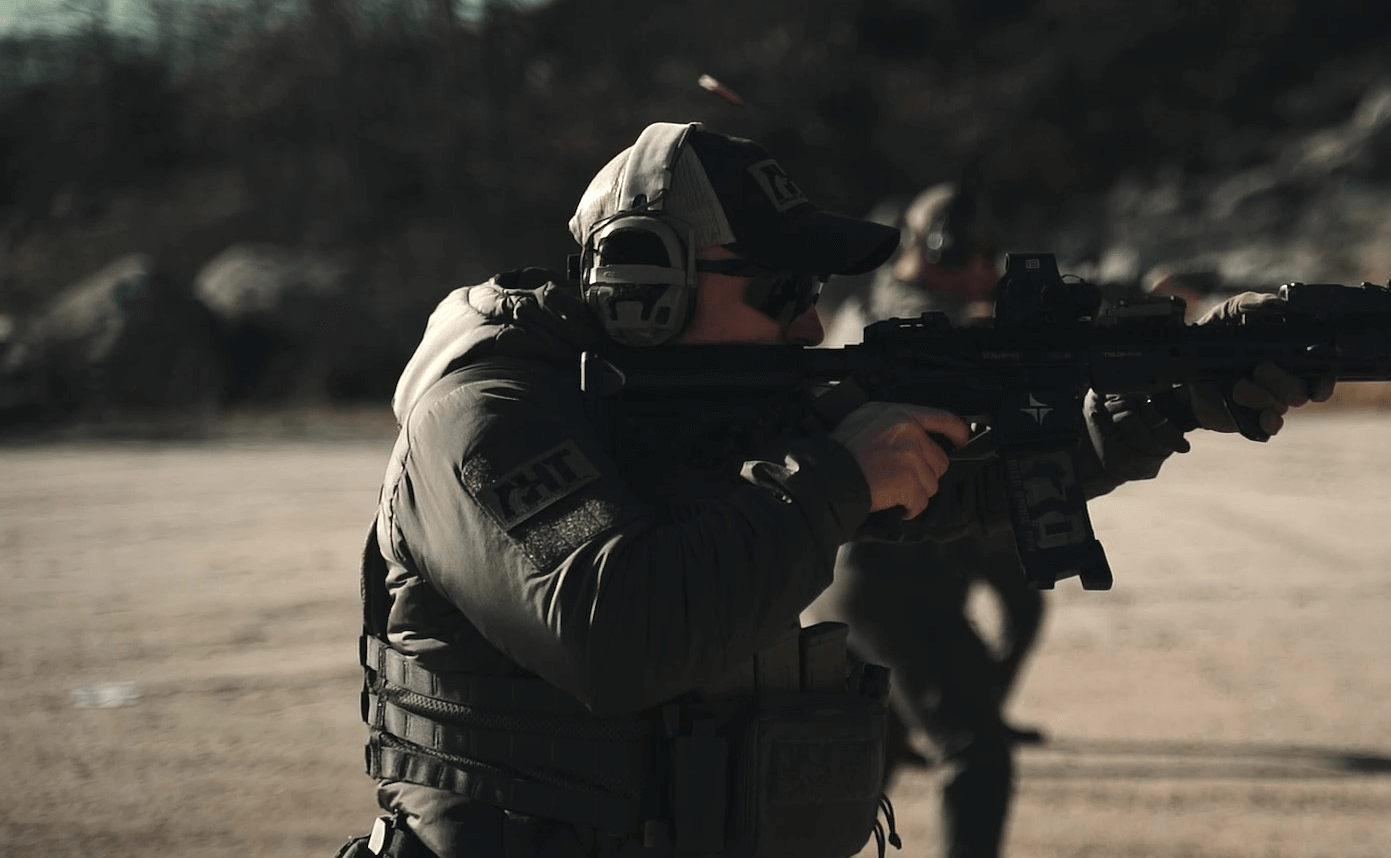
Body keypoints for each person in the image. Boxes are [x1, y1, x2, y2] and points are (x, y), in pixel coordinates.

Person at [343, 121, 1333, 858]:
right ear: (646, 282)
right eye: (783, 292)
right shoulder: (484, 415)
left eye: (814, 294)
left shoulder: (711, 402)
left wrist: (1169, 403)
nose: (811, 326)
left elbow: (952, 484)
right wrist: (835, 476)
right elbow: (615, 631)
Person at [810, 181, 1049, 858]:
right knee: (977, 750)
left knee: (878, 752)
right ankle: (960, 712)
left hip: (855, 566)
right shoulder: (928, 333)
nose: (993, 268)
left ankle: (947, 710)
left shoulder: (882, 309)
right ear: (950, 248)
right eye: (987, 253)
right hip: (891, 572)